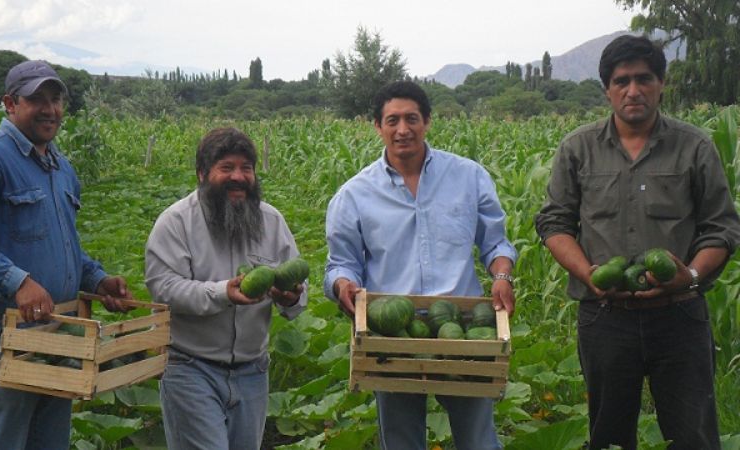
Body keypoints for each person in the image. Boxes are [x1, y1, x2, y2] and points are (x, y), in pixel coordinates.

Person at [535, 35, 740, 450]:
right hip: (605, 315)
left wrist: (691, 275)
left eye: (644, 79)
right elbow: (555, 224)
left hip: (679, 315)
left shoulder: (695, 146)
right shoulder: (578, 147)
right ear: (607, 88)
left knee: (693, 435)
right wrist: (587, 273)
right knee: (609, 436)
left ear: (661, 83)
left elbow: (722, 228)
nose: (633, 90)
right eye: (621, 80)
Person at [0, 60, 131, 450]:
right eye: (37, 99)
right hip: (1, 340)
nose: (51, 109)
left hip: (55, 336)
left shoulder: (60, 168)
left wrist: (96, 280)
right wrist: (18, 281)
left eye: (56, 99)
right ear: (10, 104)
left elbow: (63, 246)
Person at [324, 80, 516, 450]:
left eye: (411, 118)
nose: (402, 129)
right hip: (393, 334)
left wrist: (502, 275)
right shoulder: (354, 193)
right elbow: (341, 263)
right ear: (377, 126)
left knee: (478, 439)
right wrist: (343, 285)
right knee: (400, 442)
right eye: (392, 120)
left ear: (427, 121)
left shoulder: (468, 176)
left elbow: (495, 242)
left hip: (460, 327)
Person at [145, 127, 307, 450]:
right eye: (227, 167)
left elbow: (300, 293)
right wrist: (222, 293)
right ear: (202, 173)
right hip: (191, 368)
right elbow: (163, 288)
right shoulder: (176, 222)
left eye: (246, 168)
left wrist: (292, 297)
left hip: (252, 371)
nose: (239, 177)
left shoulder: (272, 222)